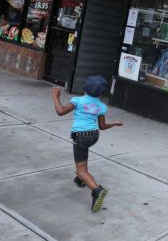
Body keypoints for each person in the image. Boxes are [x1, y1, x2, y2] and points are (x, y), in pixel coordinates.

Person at [51, 75, 123, 213]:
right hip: (94, 136)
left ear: (84, 88)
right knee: (82, 157)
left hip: (81, 136)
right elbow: (102, 126)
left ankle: (96, 190)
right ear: (101, 92)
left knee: (81, 169)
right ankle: (80, 179)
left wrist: (55, 96)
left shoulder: (78, 100)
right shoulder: (101, 106)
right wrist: (114, 123)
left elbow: (60, 111)